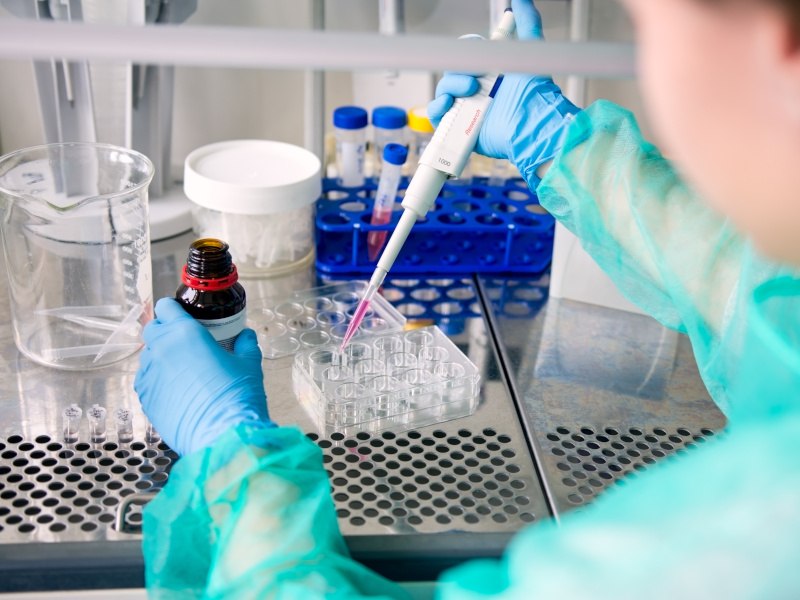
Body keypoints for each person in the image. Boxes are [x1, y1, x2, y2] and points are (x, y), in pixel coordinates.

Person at [134, 0, 800, 597]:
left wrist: (237, 462)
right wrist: (562, 147)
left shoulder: (747, 539)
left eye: (650, 26)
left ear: (780, 46)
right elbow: (757, 289)